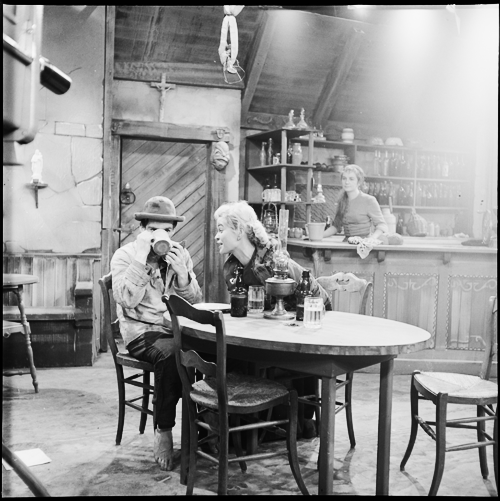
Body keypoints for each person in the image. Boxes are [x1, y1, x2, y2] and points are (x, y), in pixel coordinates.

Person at [214, 200, 330, 438]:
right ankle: (241, 428)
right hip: (262, 333)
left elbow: (318, 298)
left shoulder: (274, 261)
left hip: (295, 335)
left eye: (221, 229)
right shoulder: (231, 267)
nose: (217, 236)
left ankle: (284, 423)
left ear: (239, 231)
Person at [111, 196, 202, 471]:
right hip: (141, 331)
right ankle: (164, 429)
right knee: (173, 355)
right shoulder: (125, 255)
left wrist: (183, 276)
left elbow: (195, 302)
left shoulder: (179, 254)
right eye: (152, 230)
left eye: (166, 230)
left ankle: (206, 424)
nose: (159, 236)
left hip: (174, 328)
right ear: (142, 230)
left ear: (172, 232)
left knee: (210, 351)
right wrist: (142, 260)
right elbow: (127, 300)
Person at [324, 164, 388, 240]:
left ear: (359, 182)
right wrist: (319, 235)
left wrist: (372, 238)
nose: (347, 182)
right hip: (346, 243)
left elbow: (381, 225)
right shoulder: (342, 200)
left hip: (363, 244)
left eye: (351, 179)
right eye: (344, 178)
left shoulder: (369, 200)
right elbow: (336, 226)